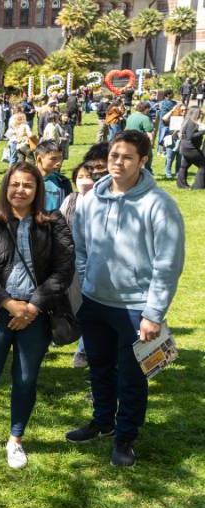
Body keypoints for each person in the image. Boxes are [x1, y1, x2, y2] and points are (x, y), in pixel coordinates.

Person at [66, 131, 186, 467]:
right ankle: (103, 421)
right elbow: (82, 245)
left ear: (143, 161)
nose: (118, 163)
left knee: (132, 377)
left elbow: (168, 264)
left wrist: (154, 313)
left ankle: (125, 436)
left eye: (127, 157)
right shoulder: (91, 199)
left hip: (136, 309)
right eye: (114, 155)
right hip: (95, 302)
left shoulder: (159, 205)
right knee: (100, 367)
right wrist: (88, 277)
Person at [0, 162, 73, 469]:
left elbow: (64, 270)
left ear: (38, 190)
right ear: (5, 187)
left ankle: (16, 440)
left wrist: (34, 306)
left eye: (28, 185)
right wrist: (8, 303)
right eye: (15, 184)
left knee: (25, 378)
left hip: (36, 314)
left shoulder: (53, 222)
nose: (20, 190)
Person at [59, 162, 100, 369]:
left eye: (89, 176)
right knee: (74, 304)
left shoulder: (102, 201)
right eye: (80, 176)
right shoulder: (71, 200)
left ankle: (84, 350)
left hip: (96, 264)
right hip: (71, 262)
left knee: (88, 307)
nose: (85, 181)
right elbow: (59, 226)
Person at [34, 140, 71, 211]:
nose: (59, 163)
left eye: (60, 158)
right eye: (53, 159)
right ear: (39, 159)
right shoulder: (27, 181)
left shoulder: (63, 182)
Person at [177, 107, 205, 189]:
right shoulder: (191, 123)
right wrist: (203, 131)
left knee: (184, 166)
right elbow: (191, 136)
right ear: (195, 113)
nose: (200, 115)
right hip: (190, 148)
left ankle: (181, 185)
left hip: (185, 147)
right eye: (199, 113)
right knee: (203, 165)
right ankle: (198, 186)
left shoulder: (187, 121)